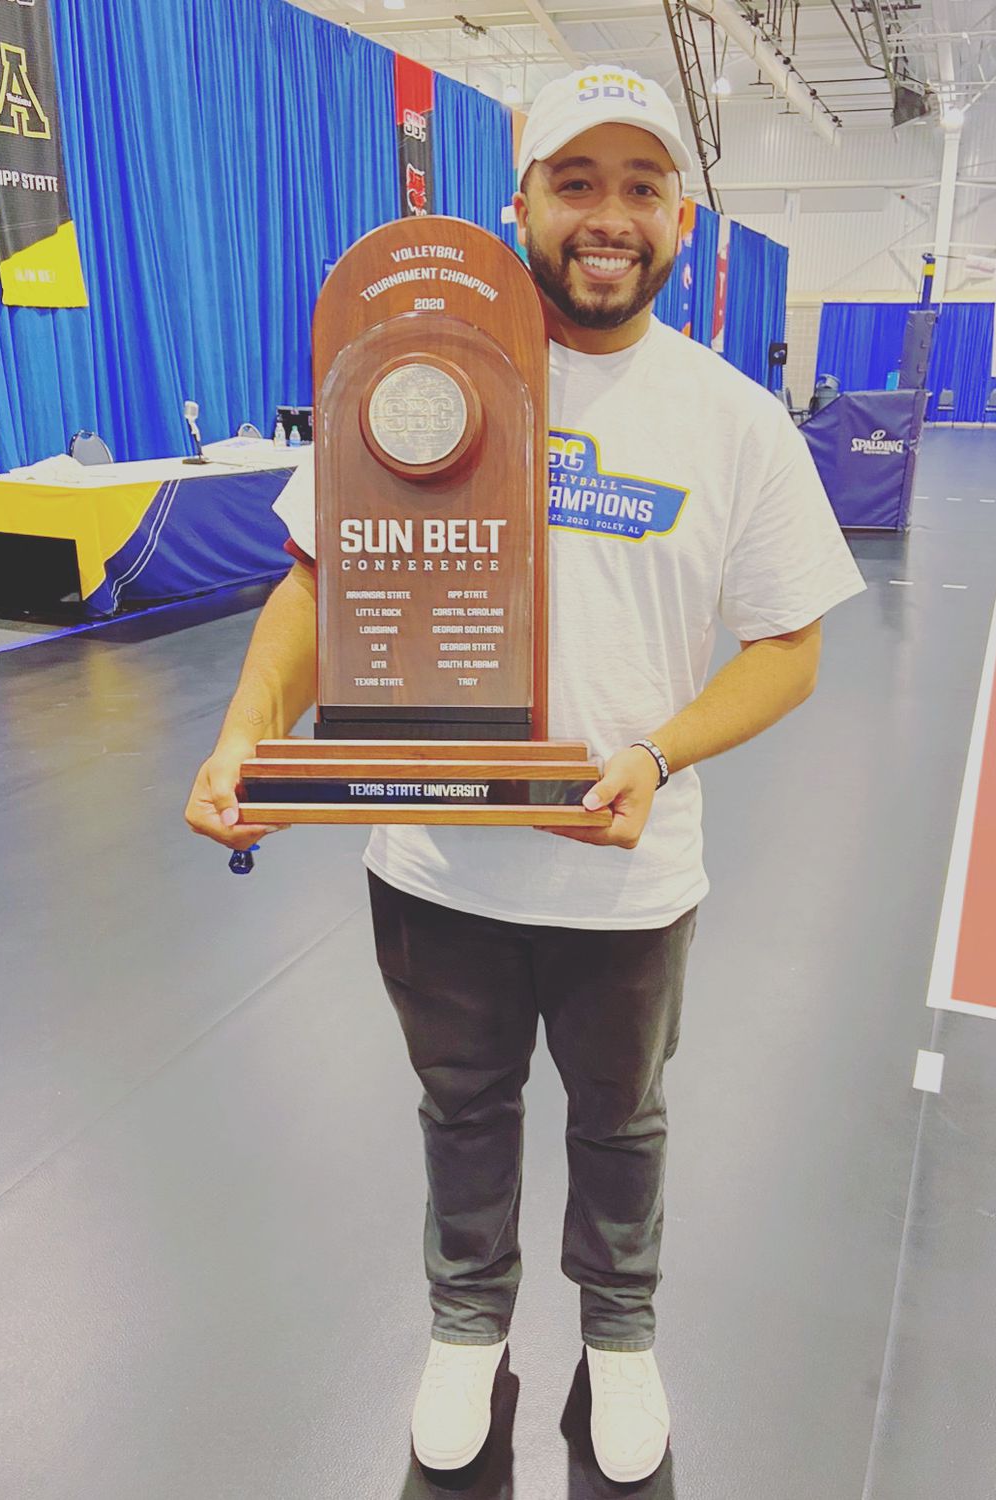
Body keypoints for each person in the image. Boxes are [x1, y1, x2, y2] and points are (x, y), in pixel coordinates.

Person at [185, 65, 866, 1485]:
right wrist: (247, 727)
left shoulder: (735, 421)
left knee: (622, 1120)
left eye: (639, 187)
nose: (607, 217)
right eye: (576, 184)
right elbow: (316, 592)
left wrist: (657, 753)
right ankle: (466, 1330)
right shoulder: (413, 368)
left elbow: (789, 649)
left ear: (684, 217)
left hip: (629, 871)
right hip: (433, 864)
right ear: (521, 208)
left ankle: (618, 1340)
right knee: (464, 1109)